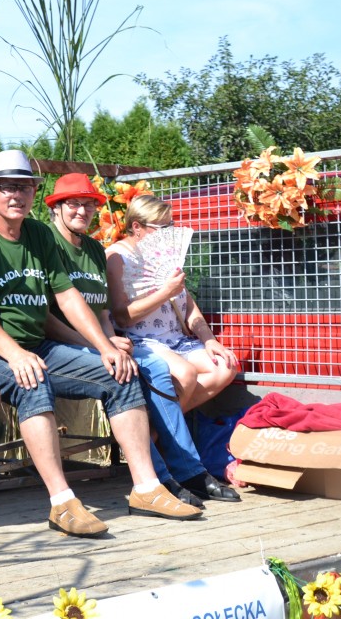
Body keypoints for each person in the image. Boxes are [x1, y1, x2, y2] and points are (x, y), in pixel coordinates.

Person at [0, 150, 203, 539]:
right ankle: (62, 501)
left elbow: (67, 296)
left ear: (35, 193)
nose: (17, 195)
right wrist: (15, 354)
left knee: (120, 373)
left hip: (39, 344)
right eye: (8, 187)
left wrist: (105, 347)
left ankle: (147, 488)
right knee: (33, 381)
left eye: (25, 187)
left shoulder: (38, 235)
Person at [44, 173, 238, 504]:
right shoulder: (55, 246)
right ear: (56, 207)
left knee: (197, 370)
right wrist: (103, 344)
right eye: (73, 203)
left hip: (105, 341)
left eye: (89, 204)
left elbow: (103, 311)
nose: (83, 210)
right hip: (68, 345)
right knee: (155, 374)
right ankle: (161, 476)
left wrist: (108, 340)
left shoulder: (92, 249)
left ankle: (181, 468)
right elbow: (54, 313)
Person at [106, 194, 239, 412]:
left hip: (176, 339)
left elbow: (188, 304)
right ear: (137, 226)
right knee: (186, 375)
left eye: (171, 225)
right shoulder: (117, 258)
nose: (169, 233)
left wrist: (209, 340)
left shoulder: (163, 253)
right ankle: (165, 429)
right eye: (162, 227)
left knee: (226, 366)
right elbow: (122, 317)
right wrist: (166, 292)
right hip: (141, 341)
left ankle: (157, 424)